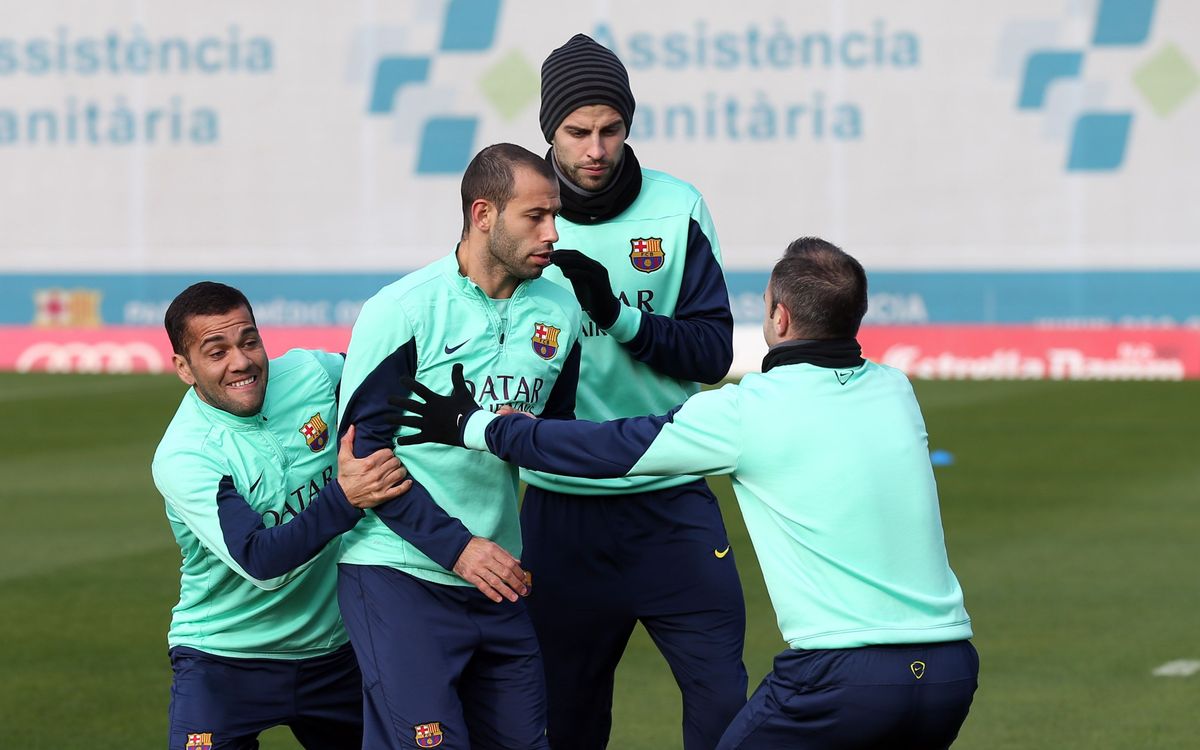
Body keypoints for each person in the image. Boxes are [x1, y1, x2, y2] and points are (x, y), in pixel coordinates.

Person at [398, 238, 980, 750]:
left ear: (778, 317)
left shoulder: (748, 411)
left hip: (839, 678)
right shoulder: (896, 390)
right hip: (950, 675)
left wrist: (476, 425)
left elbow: (608, 450)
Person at [526, 32, 748, 749]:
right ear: (548, 131)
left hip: (670, 496)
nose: (596, 149)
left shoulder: (677, 207)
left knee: (725, 710)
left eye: (611, 129)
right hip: (562, 510)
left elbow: (713, 352)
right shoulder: (520, 213)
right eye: (577, 132)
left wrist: (620, 318)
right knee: (567, 721)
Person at [335, 143, 583, 750]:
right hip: (400, 573)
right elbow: (364, 460)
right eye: (535, 216)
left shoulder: (560, 308)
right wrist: (458, 548)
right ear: (483, 214)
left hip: (498, 574)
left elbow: (555, 434)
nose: (552, 233)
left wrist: (525, 436)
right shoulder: (402, 310)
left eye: (554, 215)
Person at [151, 281, 411, 750]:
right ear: (184, 368)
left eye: (249, 341)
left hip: (335, 651)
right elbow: (261, 561)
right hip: (223, 659)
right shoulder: (186, 455)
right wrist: (346, 497)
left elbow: (394, 380)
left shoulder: (313, 372)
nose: (241, 362)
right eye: (217, 352)